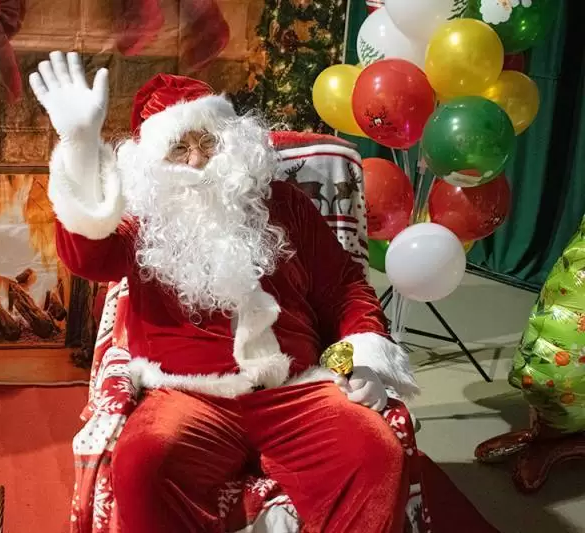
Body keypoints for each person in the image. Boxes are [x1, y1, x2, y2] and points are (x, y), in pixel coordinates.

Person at [30, 51, 420, 533]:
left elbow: (343, 289)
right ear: (152, 162)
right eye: (178, 148)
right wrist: (80, 148)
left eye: (208, 142)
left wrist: (360, 361)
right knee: (144, 463)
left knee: (373, 454)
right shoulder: (140, 217)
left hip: (296, 388)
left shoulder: (285, 204)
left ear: (233, 143)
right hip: (189, 396)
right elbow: (86, 257)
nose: (196, 161)